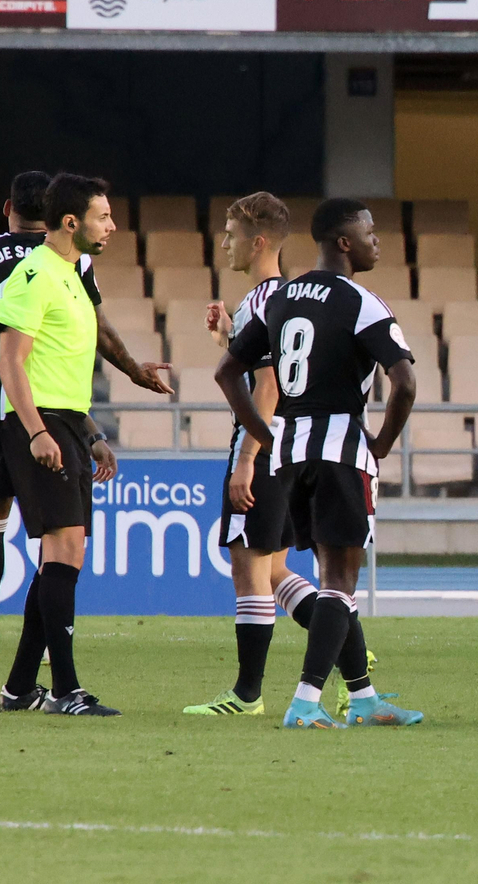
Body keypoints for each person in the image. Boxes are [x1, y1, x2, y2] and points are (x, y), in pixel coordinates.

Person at [0, 171, 169, 672]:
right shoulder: (66, 260)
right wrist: (131, 373)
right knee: (59, 541)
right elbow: (101, 333)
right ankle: (43, 663)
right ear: (55, 213)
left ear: (5, 208)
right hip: (44, 414)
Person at [218, 197, 420, 730]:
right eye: (370, 232)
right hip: (341, 452)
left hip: (290, 457)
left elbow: (227, 371)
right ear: (344, 242)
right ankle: (307, 701)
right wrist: (380, 444)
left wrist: (263, 432)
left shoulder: (280, 298)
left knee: (326, 576)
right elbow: (405, 384)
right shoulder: (362, 302)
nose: (378, 240)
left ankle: (365, 698)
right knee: (338, 583)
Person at [182, 192, 321, 717]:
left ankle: (247, 694)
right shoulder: (284, 298)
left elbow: (267, 386)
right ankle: (348, 643)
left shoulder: (263, 302)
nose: (224, 242)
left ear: (258, 241)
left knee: (248, 570)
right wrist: (227, 337)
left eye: (231, 232)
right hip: (292, 449)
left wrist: (246, 458)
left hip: (262, 447)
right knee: (277, 568)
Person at [0, 173, 125, 717]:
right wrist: (38, 433)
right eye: (103, 217)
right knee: (65, 549)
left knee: (61, 556)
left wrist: (90, 434)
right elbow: (11, 363)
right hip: (36, 425)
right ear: (72, 223)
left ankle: (22, 688)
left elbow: (58, 371)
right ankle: (66, 690)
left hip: (65, 424)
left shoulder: (71, 274)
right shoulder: (33, 275)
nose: (112, 226)